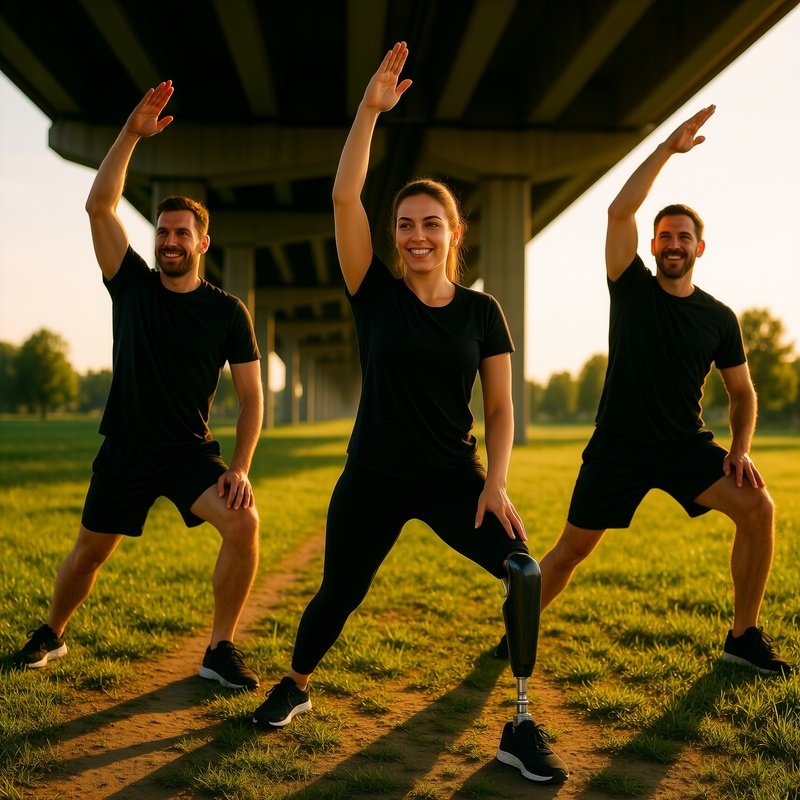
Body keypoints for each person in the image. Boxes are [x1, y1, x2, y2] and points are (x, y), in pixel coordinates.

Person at [250, 43, 569, 784]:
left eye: (431, 224)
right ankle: (294, 686)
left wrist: (495, 481)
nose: (416, 236)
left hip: (453, 478)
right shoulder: (375, 296)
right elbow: (343, 199)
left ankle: (519, 724)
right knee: (339, 592)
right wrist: (368, 111)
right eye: (405, 225)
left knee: (523, 572)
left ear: (453, 234)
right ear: (393, 236)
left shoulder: (483, 312)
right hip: (374, 476)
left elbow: (498, 402)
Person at [494, 105, 791, 677]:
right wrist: (666, 150)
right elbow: (618, 209)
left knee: (758, 509)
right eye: (664, 236)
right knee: (571, 552)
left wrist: (739, 449)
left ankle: (743, 636)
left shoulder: (719, 318)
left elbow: (743, 393)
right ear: (652, 247)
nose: (673, 243)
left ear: (699, 248)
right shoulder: (630, 287)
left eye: (684, 237)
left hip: (683, 447)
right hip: (617, 446)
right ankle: (513, 627)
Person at [12, 82, 265, 691]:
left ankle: (219, 649)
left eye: (183, 234)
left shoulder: (228, 312)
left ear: (203, 243)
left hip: (188, 454)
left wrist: (240, 466)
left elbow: (253, 398)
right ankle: (52, 632)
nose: (170, 241)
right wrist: (129, 133)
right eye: (163, 233)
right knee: (88, 555)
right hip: (124, 449)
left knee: (244, 522)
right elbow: (100, 206)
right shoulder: (131, 284)